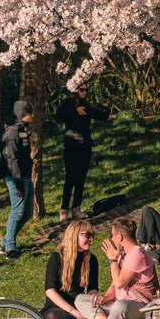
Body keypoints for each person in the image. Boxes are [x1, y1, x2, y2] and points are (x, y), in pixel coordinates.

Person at [77, 216, 159, 319]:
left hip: (140, 307)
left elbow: (119, 282)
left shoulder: (137, 254)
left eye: (111, 235)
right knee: (81, 299)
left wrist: (113, 260)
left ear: (119, 237)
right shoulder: (123, 254)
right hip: (118, 304)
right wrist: (105, 298)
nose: (111, 238)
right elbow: (115, 284)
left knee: (119, 306)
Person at [55, 85, 111, 221]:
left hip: (85, 146)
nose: (84, 92)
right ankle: (64, 209)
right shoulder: (67, 104)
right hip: (71, 145)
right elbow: (57, 118)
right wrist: (75, 112)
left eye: (87, 90)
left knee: (80, 178)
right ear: (75, 90)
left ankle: (76, 208)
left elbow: (102, 116)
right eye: (82, 89)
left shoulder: (86, 105)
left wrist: (106, 107)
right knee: (70, 178)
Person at [40, 220, 100, 319]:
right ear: (74, 235)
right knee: (53, 318)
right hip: (57, 306)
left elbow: (93, 288)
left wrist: (92, 300)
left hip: (80, 303)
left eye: (92, 235)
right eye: (87, 235)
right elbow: (50, 290)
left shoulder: (92, 259)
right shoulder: (57, 258)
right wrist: (71, 310)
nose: (91, 239)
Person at [0, 100, 34, 260]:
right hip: (16, 178)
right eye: (29, 112)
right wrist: (18, 181)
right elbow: (11, 159)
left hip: (26, 175)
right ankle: (10, 249)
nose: (32, 115)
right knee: (17, 211)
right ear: (22, 114)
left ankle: (5, 242)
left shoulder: (23, 130)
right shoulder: (12, 133)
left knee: (27, 213)